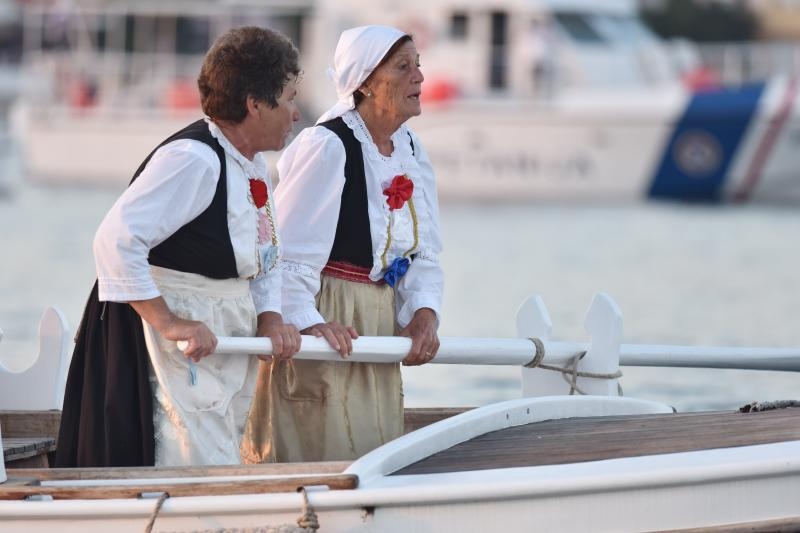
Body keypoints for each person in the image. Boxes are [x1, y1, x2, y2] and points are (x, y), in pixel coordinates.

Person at [55, 26, 302, 468]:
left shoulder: (251, 164)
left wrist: (270, 317)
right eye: (288, 98)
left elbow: (264, 258)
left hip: (220, 332)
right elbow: (114, 240)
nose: (296, 112)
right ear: (254, 104)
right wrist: (169, 322)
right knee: (183, 458)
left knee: (218, 453)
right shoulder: (194, 160)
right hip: (163, 337)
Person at [242, 25, 444, 463]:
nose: (420, 78)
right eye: (404, 67)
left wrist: (423, 313)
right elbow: (284, 256)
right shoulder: (329, 146)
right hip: (331, 316)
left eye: (419, 66)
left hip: (375, 320)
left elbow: (423, 250)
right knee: (320, 450)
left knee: (371, 453)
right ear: (368, 82)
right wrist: (310, 323)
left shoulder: (410, 147)